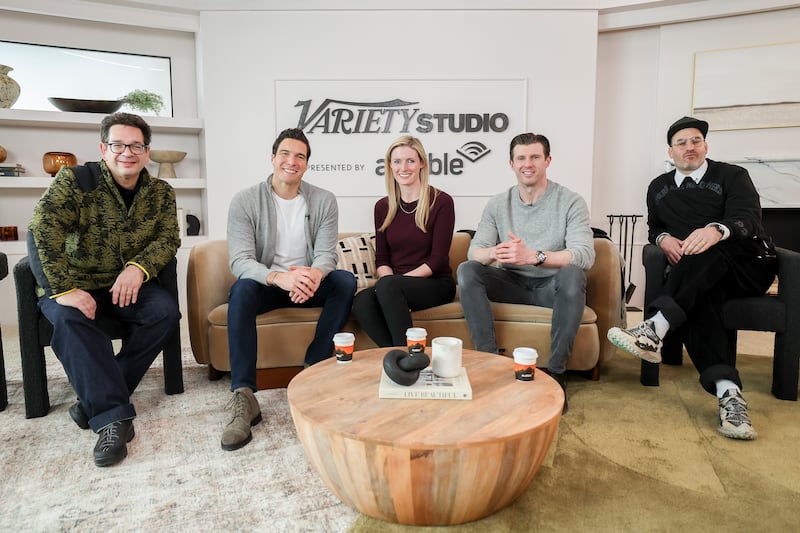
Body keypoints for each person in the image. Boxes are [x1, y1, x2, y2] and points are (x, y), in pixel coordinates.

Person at [607, 116, 777, 440]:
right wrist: (663, 239)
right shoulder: (658, 188)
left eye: (695, 141)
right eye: (681, 143)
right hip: (699, 274)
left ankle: (656, 326)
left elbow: (749, 220)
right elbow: (655, 227)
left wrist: (716, 231)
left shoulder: (733, 176)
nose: (689, 147)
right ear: (670, 152)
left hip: (746, 264)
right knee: (701, 293)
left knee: (703, 250)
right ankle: (730, 396)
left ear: (706, 146)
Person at [29, 112, 181, 467]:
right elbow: (41, 232)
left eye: (136, 145)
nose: (127, 152)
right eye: (118, 144)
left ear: (147, 151)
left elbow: (168, 239)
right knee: (70, 321)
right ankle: (112, 419)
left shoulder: (160, 193)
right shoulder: (75, 181)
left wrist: (137, 268)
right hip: (73, 284)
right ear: (103, 148)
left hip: (126, 286)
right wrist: (62, 289)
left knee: (165, 313)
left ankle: (93, 399)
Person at [222, 127, 356, 451]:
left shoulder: (324, 200)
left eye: (300, 156)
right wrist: (279, 278)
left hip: (308, 280)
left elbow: (327, 254)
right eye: (285, 153)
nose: (291, 161)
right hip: (270, 283)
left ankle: (313, 368)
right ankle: (244, 395)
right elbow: (240, 261)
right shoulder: (245, 201)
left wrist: (312, 275)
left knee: (345, 281)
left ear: (307, 164)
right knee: (240, 292)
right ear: (272, 158)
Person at [457, 133, 595, 413]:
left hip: (552, 288)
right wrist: (496, 252)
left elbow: (585, 254)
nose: (527, 164)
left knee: (573, 274)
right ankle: (490, 364)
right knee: (467, 270)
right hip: (510, 284)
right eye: (521, 158)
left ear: (547, 161)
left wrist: (534, 256)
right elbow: (475, 251)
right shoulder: (498, 204)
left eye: (535, 157)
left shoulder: (571, 201)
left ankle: (557, 373)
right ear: (511, 163)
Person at [352, 136, 456, 347]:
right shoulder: (383, 206)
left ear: (422, 163)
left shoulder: (441, 202)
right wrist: (392, 287)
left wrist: (395, 286)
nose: (403, 167)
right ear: (390, 166)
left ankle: (408, 359)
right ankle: (398, 355)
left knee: (388, 287)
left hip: (435, 284)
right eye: (397, 161)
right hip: (395, 286)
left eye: (410, 160)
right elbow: (382, 257)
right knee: (361, 301)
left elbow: (438, 260)